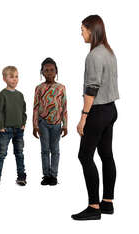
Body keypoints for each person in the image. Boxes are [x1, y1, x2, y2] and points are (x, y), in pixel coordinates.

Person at [71, 15, 119, 221]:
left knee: (85, 156)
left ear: (92, 30)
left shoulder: (93, 56)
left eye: (83, 29)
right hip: (111, 110)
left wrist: (83, 117)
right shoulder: (109, 52)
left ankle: (94, 207)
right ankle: (107, 202)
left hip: (97, 112)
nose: (81, 32)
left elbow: (92, 88)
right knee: (106, 155)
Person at [0, 66, 27, 188]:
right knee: (1, 154)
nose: (14, 79)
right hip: (5, 130)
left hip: (19, 130)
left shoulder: (20, 95)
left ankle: (21, 176)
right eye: (11, 77)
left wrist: (23, 123)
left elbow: (23, 111)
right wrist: (1, 126)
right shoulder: (2, 95)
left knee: (19, 153)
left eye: (16, 77)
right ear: (4, 79)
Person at [33, 58, 68, 186]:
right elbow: (36, 107)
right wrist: (35, 125)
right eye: (46, 70)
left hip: (57, 123)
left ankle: (54, 175)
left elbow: (64, 107)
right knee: (44, 150)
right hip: (43, 123)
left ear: (56, 71)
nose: (49, 72)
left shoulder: (61, 88)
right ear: (42, 72)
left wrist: (65, 125)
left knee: (55, 150)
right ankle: (46, 175)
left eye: (52, 70)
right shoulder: (39, 88)